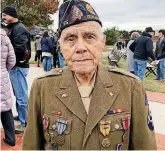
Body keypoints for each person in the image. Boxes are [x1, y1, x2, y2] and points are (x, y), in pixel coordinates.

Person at [23, 0, 156, 150]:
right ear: (60, 46)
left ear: (102, 42)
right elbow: (31, 146)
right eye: (70, 39)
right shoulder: (43, 87)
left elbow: (145, 146)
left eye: (89, 37)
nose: (80, 48)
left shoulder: (130, 87)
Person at [2, 6, 31, 134]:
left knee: (21, 96)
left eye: (5, 15)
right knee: (18, 94)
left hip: (18, 67)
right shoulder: (12, 27)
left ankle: (24, 124)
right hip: (15, 67)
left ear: (12, 15)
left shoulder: (19, 29)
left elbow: (21, 50)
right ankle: (21, 116)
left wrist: (12, 61)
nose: (3, 17)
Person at [0, 28, 16, 146]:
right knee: (5, 107)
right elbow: (12, 59)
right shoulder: (4, 37)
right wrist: (3, 70)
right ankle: (11, 139)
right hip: (2, 76)